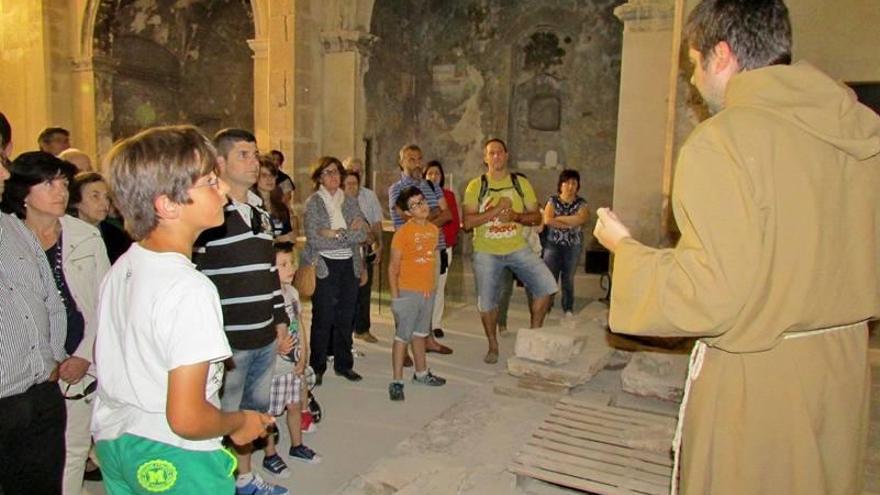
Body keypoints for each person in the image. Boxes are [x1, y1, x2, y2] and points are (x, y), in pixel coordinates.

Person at [592, 1, 880, 493]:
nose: (693, 84)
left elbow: (710, 293)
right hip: (840, 374)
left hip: (761, 384)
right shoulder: (859, 135)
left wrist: (625, 250)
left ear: (720, 55)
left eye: (693, 65)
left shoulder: (723, 141)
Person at [92, 125, 274, 494]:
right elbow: (187, 417)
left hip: (118, 439)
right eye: (209, 181)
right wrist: (239, 421)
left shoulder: (125, 266)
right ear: (167, 204)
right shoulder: (189, 289)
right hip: (174, 455)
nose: (222, 188)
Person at [4, 151, 111, 495]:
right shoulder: (12, 234)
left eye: (64, 183)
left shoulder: (85, 237)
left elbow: (100, 301)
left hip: (75, 361)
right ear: (24, 191)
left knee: (71, 450)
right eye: (49, 183)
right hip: (22, 373)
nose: (60, 191)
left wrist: (81, 355)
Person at [193, 128, 292, 495]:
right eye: (244, 155)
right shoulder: (209, 214)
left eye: (255, 154)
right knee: (222, 414)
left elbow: (269, 271)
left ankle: (245, 478)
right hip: (228, 340)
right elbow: (198, 276)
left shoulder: (259, 211)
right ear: (220, 163)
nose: (254, 162)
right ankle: (219, 481)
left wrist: (280, 318)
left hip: (264, 332)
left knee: (252, 414)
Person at [0, 114, 69, 495]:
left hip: (38, 393)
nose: (5, 175)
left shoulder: (13, 229)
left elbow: (50, 301)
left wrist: (52, 358)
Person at [462, 138, 558, 364]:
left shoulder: (520, 183)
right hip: (486, 250)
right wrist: (496, 210)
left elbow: (536, 216)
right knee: (487, 302)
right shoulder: (476, 186)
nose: (495, 157)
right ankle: (493, 345)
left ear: (506, 155)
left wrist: (515, 216)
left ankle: (534, 335)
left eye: (499, 153)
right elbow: (467, 223)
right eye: (491, 153)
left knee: (547, 285)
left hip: (516, 247)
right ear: (485, 158)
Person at [303, 156, 368, 384]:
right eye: (328, 172)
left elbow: (362, 234)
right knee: (323, 317)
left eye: (337, 172)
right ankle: (317, 366)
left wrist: (334, 233)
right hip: (325, 266)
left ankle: (343, 364)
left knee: (346, 317)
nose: (333, 176)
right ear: (319, 176)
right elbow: (315, 239)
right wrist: (346, 233)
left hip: (349, 265)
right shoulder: (314, 202)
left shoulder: (349, 201)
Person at [261, 242, 322, 480]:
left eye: (291, 262)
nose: (291, 268)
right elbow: (262, 332)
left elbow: (299, 326)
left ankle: (297, 446)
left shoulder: (293, 293)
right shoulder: (265, 298)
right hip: (274, 369)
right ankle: (270, 454)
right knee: (268, 415)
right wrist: (276, 347)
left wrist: (303, 355)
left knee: (295, 406)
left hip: (294, 365)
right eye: (283, 264)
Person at [388, 145, 453, 356]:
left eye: (418, 159)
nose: (416, 163)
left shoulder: (432, 186)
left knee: (430, 296)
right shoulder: (396, 189)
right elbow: (407, 220)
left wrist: (423, 219)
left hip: (434, 249)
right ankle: (403, 346)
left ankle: (428, 339)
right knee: (407, 301)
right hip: (409, 253)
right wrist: (431, 215)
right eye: (410, 159)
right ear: (401, 162)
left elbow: (448, 214)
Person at [387, 186, 448, 401]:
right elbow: (393, 268)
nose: (421, 206)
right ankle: (396, 381)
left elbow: (429, 263)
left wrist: (431, 288)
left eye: (422, 201)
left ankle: (421, 373)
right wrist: (396, 299)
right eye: (415, 205)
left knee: (421, 334)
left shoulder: (433, 230)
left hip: (427, 292)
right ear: (407, 212)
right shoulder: (402, 234)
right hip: (408, 292)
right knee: (402, 336)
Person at [343, 157, 384, 343]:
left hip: (366, 246)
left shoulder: (369, 195)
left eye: (359, 171)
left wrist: (379, 244)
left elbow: (376, 222)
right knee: (346, 291)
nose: (356, 173)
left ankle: (362, 328)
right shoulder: (338, 197)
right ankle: (344, 330)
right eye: (351, 169)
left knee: (364, 289)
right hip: (344, 249)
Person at [542, 169, 589, 317]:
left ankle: (568, 308)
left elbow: (581, 219)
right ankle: (546, 306)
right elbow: (548, 220)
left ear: (578, 186)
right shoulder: (553, 201)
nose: (570, 186)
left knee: (568, 278)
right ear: (561, 185)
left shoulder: (582, 203)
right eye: (567, 183)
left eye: (573, 183)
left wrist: (559, 218)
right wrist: (570, 223)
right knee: (550, 276)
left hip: (573, 245)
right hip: (553, 244)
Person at [423, 160, 460, 338]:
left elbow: (452, 221)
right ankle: (424, 322)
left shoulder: (449, 196)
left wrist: (447, 242)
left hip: (443, 246)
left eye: (437, 173)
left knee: (439, 285)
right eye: (430, 173)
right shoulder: (419, 196)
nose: (433, 176)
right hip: (424, 247)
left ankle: (435, 323)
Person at [68, 171, 133, 263]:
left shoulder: (118, 236)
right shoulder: (64, 234)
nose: (104, 203)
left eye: (107, 197)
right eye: (95, 196)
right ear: (76, 201)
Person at [253, 156, 294, 242]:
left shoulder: (281, 207)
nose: (269, 179)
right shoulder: (251, 207)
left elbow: (288, 235)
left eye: (272, 175)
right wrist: (277, 240)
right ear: (255, 178)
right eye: (264, 175)